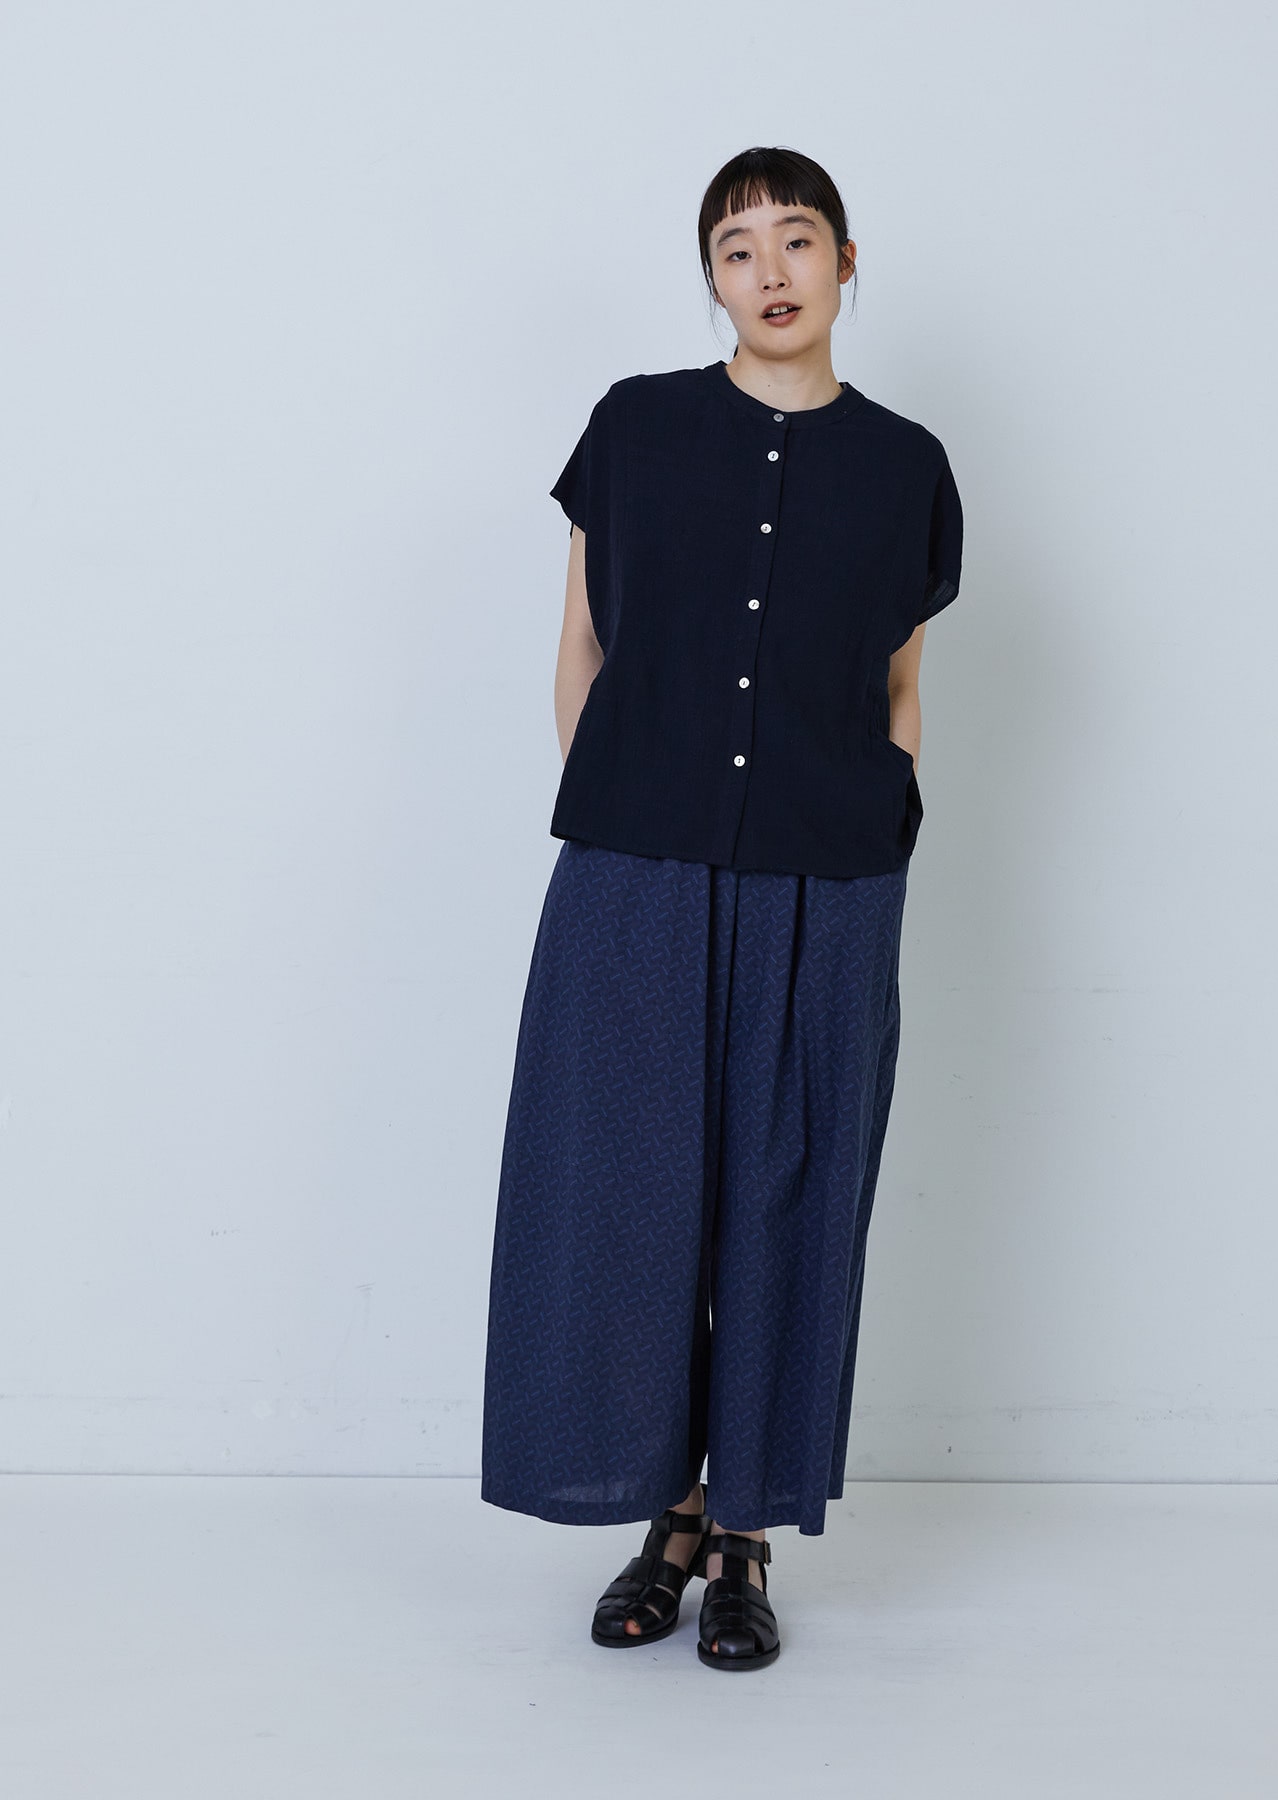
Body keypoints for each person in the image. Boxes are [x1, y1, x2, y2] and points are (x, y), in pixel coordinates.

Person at [479, 145, 964, 1672]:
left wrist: (879, 815)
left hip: (830, 878)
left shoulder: (905, 466)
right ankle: (666, 1516)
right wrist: (624, 804)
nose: (769, 271)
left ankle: (745, 1531)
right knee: (627, 1194)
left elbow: (900, 684)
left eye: (796, 239)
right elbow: (582, 643)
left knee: (785, 1198)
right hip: (637, 869)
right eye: (737, 248)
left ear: (845, 261)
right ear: (712, 279)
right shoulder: (637, 426)